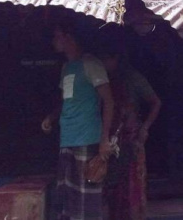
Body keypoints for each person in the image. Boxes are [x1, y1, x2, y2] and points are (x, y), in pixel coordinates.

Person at [42, 23, 114, 220]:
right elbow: (67, 100)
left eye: (57, 36)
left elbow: (109, 101)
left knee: (87, 201)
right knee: (68, 198)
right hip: (67, 139)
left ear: (69, 37)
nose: (54, 41)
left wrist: (104, 139)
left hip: (87, 139)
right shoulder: (66, 68)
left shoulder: (90, 64)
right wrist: (51, 117)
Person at [101, 47, 162, 220]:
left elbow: (156, 102)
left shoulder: (133, 77)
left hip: (131, 139)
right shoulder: (104, 79)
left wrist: (145, 128)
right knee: (112, 187)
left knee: (132, 187)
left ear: (115, 58)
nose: (103, 63)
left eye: (105, 59)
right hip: (112, 141)